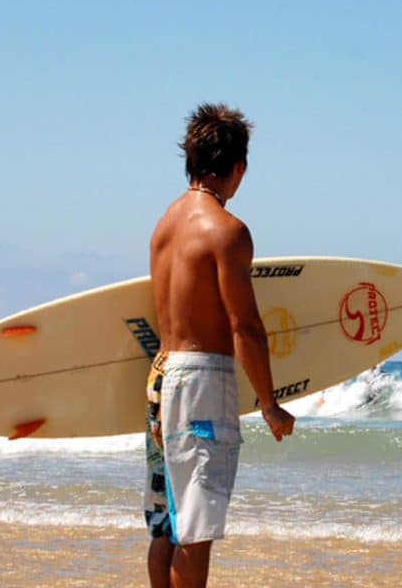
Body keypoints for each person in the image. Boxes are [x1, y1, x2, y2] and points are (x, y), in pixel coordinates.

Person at [145, 103, 296, 588]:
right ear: (238, 168)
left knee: (167, 520)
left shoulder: (164, 226)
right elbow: (245, 326)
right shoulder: (227, 232)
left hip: (161, 375)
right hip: (200, 381)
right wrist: (270, 404)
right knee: (197, 527)